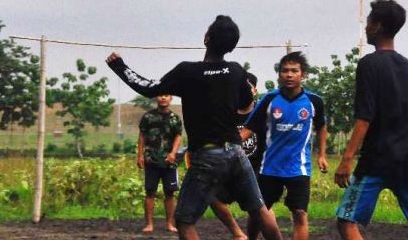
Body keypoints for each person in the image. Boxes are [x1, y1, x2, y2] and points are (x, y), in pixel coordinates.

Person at [106, 15, 284, 240]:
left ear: (206, 38)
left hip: (207, 155)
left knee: (184, 221)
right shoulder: (237, 71)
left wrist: (119, 66)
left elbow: (149, 88)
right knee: (259, 210)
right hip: (236, 152)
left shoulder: (187, 72)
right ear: (232, 46)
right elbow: (244, 103)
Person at [333, 0, 408, 240]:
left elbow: (364, 118)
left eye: (368, 22)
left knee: (346, 220)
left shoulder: (369, 64)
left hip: (376, 161)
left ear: (377, 26)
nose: (366, 27)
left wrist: (346, 159)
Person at [240, 51, 329, 240]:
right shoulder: (270, 99)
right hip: (270, 167)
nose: (289, 75)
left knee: (300, 214)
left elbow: (322, 127)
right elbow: (249, 127)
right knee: (258, 212)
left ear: (303, 74)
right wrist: (230, 145)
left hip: (299, 168)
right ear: (279, 74)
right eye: (285, 71)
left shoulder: (314, 101)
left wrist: (322, 155)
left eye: (294, 71)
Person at [207, 72, 261, 240]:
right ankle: (238, 233)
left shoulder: (263, 111)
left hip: (257, 169)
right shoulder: (226, 112)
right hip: (229, 168)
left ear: (255, 90)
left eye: (247, 88)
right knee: (211, 195)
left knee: (259, 208)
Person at [137, 94, 183, 234]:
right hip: (151, 160)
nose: (163, 98)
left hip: (169, 161)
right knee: (150, 192)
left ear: (171, 99)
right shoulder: (148, 117)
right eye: (160, 95)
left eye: (166, 96)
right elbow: (142, 136)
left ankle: (170, 224)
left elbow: (178, 136)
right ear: (156, 98)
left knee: (170, 193)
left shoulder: (175, 118)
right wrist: (140, 155)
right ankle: (149, 224)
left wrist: (173, 153)